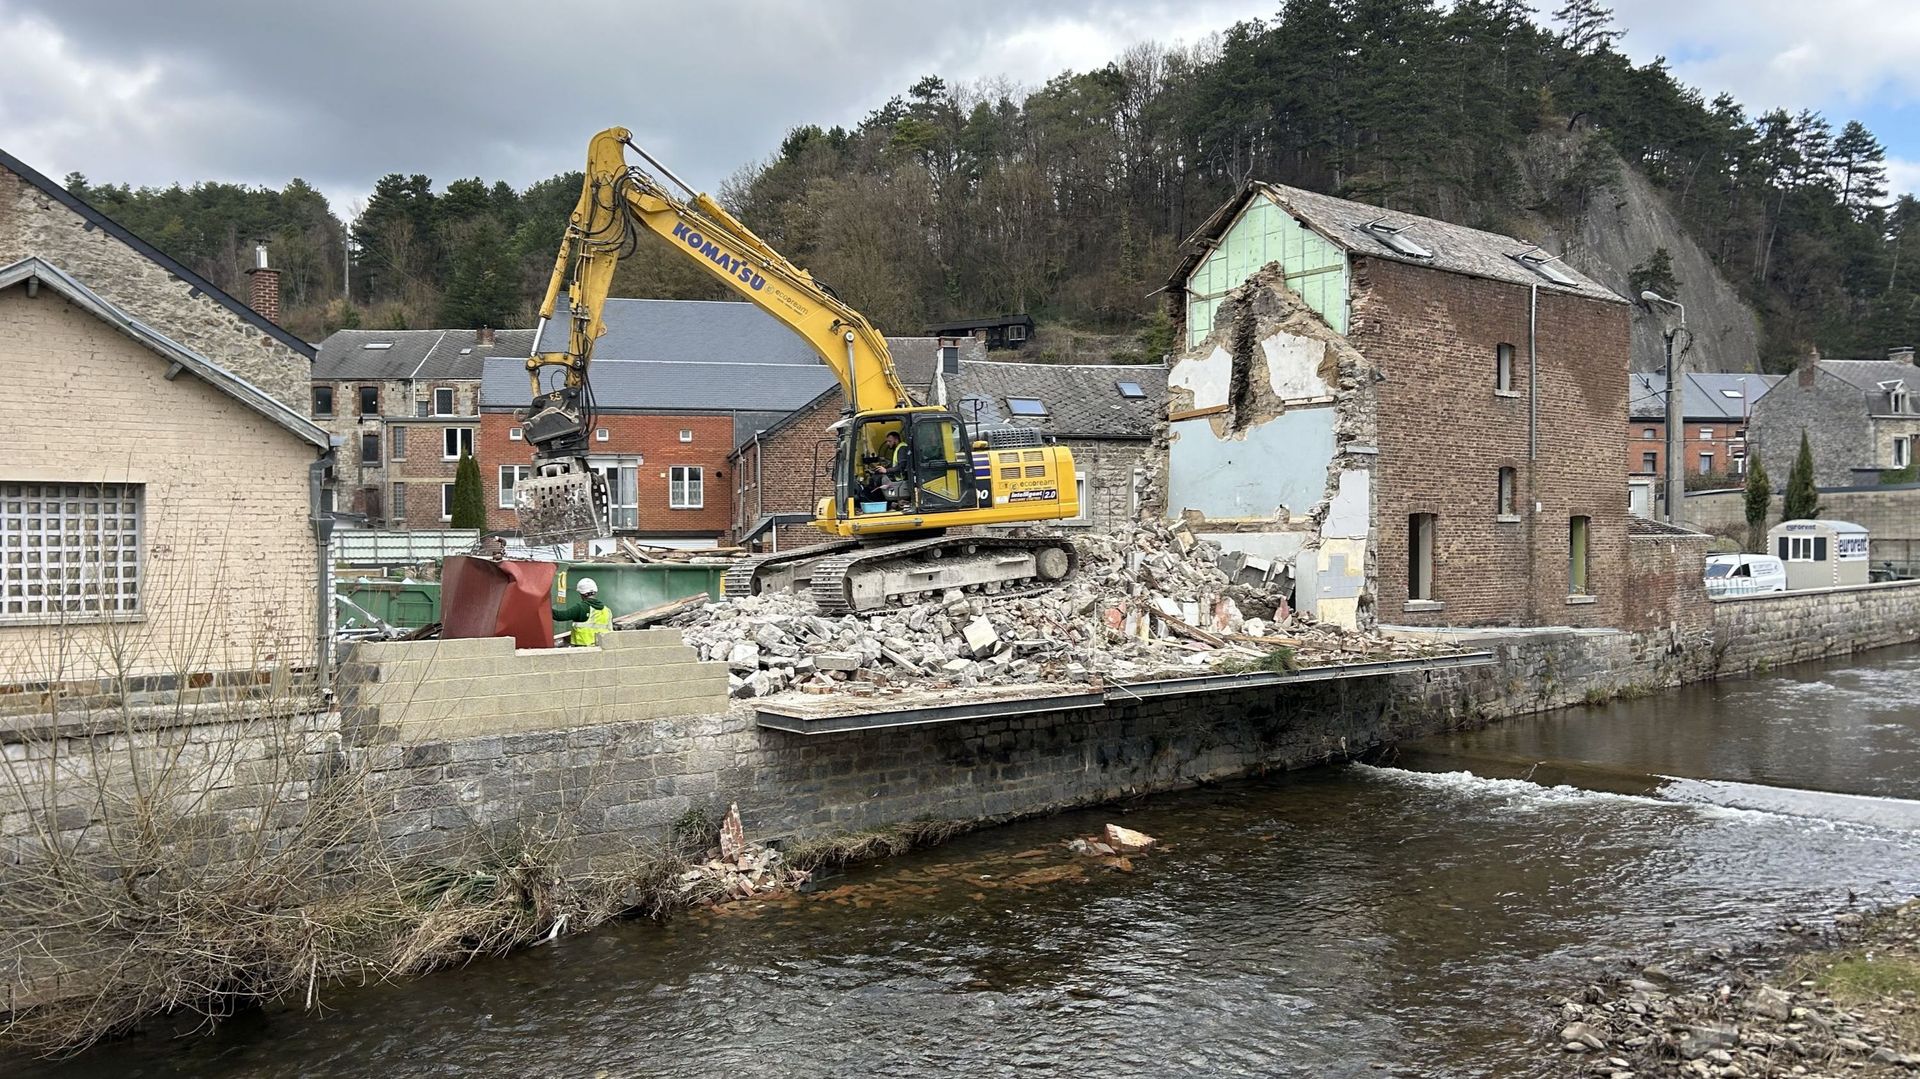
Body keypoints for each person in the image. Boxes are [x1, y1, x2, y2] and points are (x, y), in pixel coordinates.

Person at [551, 576, 611, 646]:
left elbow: (560, 616)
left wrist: (545, 608)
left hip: (584, 649)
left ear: (582, 594)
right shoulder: (607, 610)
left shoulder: (581, 608)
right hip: (601, 648)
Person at [861, 430, 909, 505]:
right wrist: (882, 468)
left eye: (889, 441)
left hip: (901, 480)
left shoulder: (902, 449)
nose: (887, 443)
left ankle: (885, 504)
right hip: (898, 478)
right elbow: (895, 465)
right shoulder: (898, 448)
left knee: (878, 481)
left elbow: (902, 467)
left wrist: (886, 470)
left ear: (896, 440)